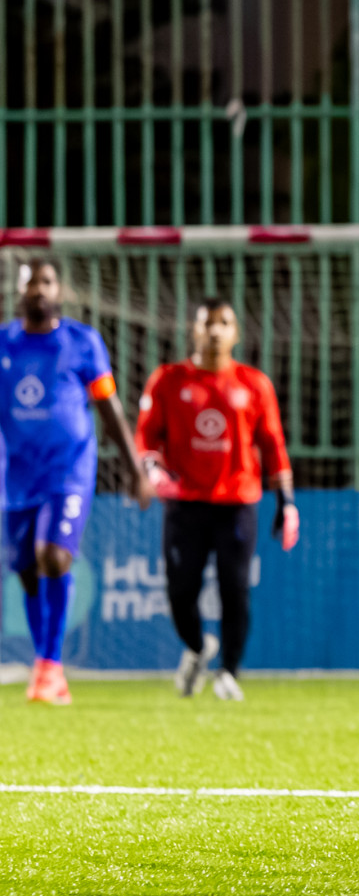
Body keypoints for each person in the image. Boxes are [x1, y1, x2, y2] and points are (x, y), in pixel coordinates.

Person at [0, 260, 152, 704]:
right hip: (16, 474)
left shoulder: (82, 342)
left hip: (68, 469)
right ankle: (47, 668)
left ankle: (50, 665)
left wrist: (135, 468)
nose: (38, 290)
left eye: (46, 282)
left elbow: (108, 407)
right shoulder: (4, 343)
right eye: (30, 283)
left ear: (60, 290)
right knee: (27, 572)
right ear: (18, 291)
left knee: (53, 557)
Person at [135, 297, 298, 701]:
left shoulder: (254, 384)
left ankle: (229, 672)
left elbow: (273, 444)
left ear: (236, 333)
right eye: (207, 323)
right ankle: (196, 648)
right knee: (180, 592)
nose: (214, 331)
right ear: (194, 330)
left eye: (223, 323)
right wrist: (152, 470)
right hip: (184, 503)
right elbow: (145, 437)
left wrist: (287, 501)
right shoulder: (168, 380)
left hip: (237, 503)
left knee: (235, 588)